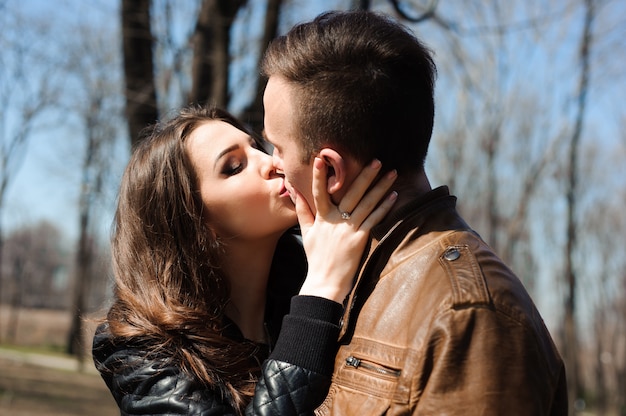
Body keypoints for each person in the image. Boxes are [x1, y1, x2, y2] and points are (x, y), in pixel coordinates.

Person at [261, 10, 568, 415]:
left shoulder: (468, 317)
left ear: (330, 171)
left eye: (278, 148)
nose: (271, 163)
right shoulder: (337, 276)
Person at [92, 105, 398, 415]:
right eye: (234, 166)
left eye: (258, 148)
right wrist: (321, 293)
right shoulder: (138, 348)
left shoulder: (323, 283)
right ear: (193, 224)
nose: (272, 163)